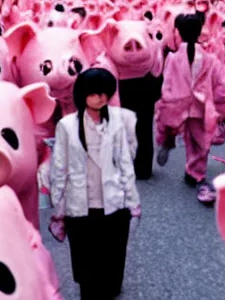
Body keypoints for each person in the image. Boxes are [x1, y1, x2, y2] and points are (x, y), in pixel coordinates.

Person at [50, 67, 140, 300]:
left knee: (113, 255)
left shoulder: (117, 121)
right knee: (84, 260)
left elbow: (124, 162)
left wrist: (133, 201)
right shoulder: (67, 126)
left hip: (114, 202)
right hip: (80, 204)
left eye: (105, 92)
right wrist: (58, 207)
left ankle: (110, 287)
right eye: (94, 92)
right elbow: (59, 167)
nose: (100, 97)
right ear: (82, 94)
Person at [154, 12, 225, 204]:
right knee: (200, 142)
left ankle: (168, 140)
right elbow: (222, 86)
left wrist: (166, 101)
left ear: (178, 32)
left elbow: (167, 83)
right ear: (200, 32)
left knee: (176, 129)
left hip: (177, 102)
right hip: (201, 105)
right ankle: (196, 173)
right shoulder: (211, 59)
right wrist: (222, 108)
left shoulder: (172, 58)